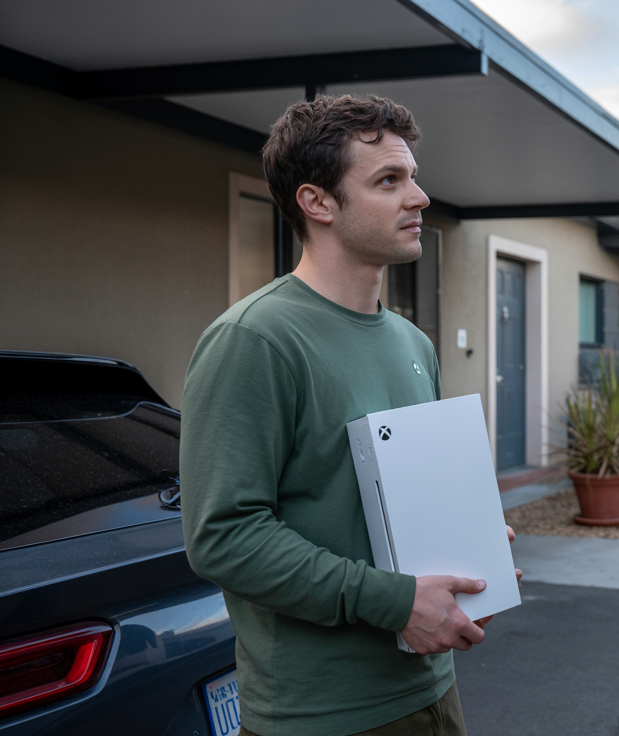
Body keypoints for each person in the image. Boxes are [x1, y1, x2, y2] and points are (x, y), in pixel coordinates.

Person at [181, 94, 519, 736]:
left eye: (412, 177)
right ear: (318, 203)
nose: (418, 197)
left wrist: (475, 548)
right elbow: (223, 535)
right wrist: (395, 603)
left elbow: (400, 496)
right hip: (324, 716)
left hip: (433, 690)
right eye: (389, 181)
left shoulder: (411, 341)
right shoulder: (254, 341)